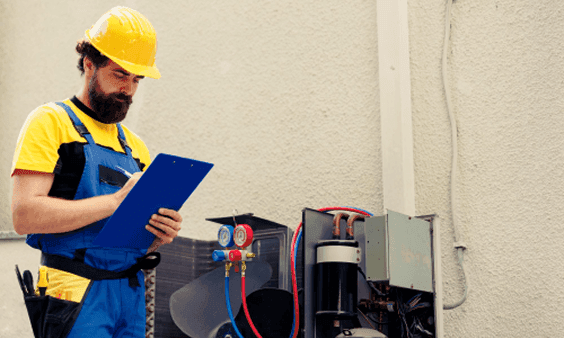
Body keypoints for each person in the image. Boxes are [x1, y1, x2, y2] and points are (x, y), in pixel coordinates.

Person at [10, 6, 182, 337]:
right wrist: (116, 202)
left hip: (129, 293)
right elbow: (23, 215)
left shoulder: (135, 148)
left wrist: (159, 234)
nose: (129, 90)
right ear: (90, 64)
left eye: (136, 79)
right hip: (74, 293)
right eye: (120, 75)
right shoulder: (50, 123)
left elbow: (131, 239)